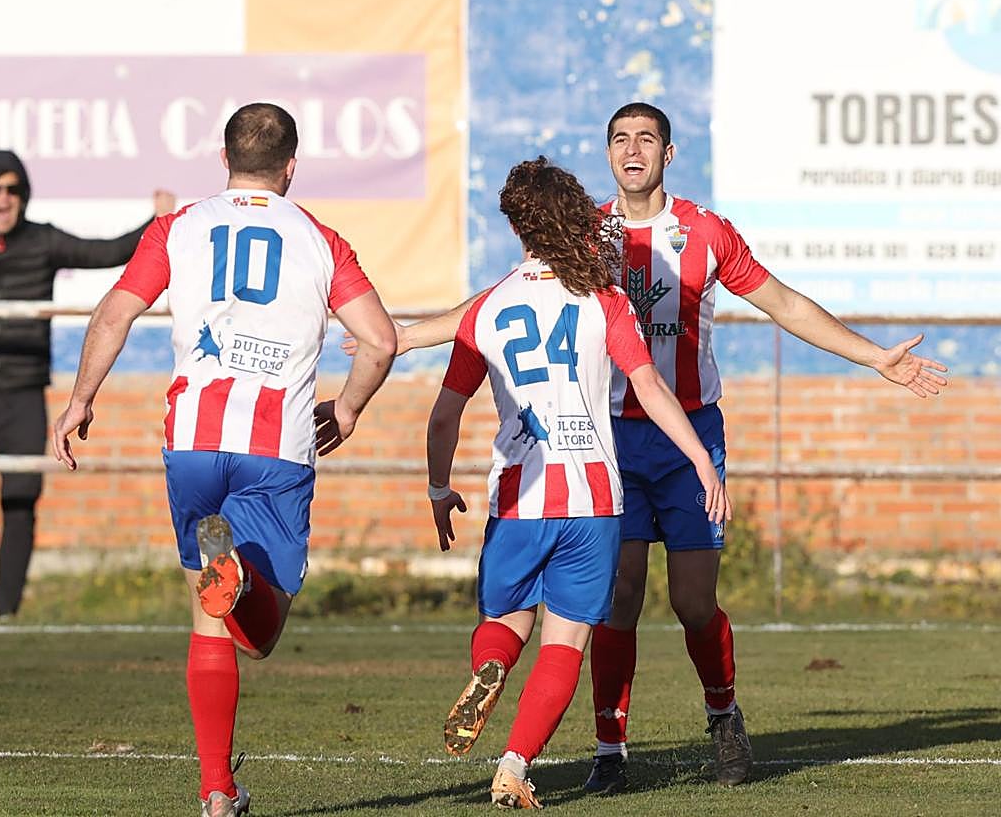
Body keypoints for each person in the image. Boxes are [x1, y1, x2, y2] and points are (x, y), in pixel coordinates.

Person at [354, 102, 950, 792]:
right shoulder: (589, 234)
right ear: (607, 154)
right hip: (612, 442)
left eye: (646, 137)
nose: (631, 147)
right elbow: (492, 303)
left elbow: (783, 303)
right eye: (619, 138)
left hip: (691, 430)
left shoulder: (706, 232)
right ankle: (610, 750)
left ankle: (723, 713)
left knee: (695, 602)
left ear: (669, 154)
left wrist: (875, 357)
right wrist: (393, 336)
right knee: (619, 597)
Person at [51, 102, 397, 817]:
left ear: (224, 157)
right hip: (273, 452)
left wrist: (81, 399)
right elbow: (382, 340)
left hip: (194, 449)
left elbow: (113, 312)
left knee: (209, 619)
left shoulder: (179, 227)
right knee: (258, 633)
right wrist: (351, 406)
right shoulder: (320, 240)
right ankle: (236, 579)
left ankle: (216, 793)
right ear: (292, 166)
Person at [428, 156, 729, 809]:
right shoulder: (604, 300)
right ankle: (513, 765)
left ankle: (493, 666)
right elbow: (648, 387)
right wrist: (702, 460)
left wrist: (437, 487)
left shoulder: (488, 307)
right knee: (566, 642)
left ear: (517, 226)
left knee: (506, 624)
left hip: (517, 498)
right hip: (592, 499)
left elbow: (445, 413)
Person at [0, 149, 174, 620]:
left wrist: (158, 221)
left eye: (13, 189)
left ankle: (7, 608)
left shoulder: (43, 241)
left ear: (23, 195)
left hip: (24, 388)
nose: (4, 199)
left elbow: (105, 252)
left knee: (21, 492)